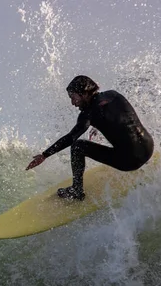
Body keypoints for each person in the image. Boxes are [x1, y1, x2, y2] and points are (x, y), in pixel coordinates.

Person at [25, 75, 154, 200]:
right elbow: (119, 117)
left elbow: (71, 138)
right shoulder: (113, 95)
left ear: (85, 94)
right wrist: (98, 125)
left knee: (78, 147)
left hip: (130, 161)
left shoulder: (88, 114)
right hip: (148, 148)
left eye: (73, 97)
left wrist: (44, 155)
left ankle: (77, 190)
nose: (72, 103)